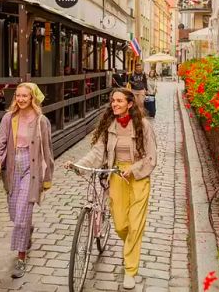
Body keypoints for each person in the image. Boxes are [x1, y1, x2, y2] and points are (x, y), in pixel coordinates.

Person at [64, 88, 157, 290]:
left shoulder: (143, 126)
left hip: (138, 177)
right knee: (120, 225)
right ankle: (130, 247)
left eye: (119, 101)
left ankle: (130, 269)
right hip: (116, 175)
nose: (114, 104)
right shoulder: (110, 125)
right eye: (112, 100)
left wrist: (133, 169)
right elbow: (98, 152)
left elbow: (151, 157)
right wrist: (78, 164)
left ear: (130, 104)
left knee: (135, 224)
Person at [0, 82, 55, 279]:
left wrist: (47, 176)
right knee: (15, 212)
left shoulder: (41, 120)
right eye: (18, 95)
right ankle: (27, 229)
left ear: (33, 98)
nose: (21, 99)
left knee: (21, 216)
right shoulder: (9, 118)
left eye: (25, 96)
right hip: (12, 167)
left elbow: (47, 151)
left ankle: (21, 258)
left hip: (31, 168)